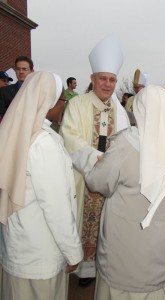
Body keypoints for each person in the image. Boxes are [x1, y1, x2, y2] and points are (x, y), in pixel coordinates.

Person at [72, 85, 165, 300]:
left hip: (125, 244)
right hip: (162, 244)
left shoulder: (126, 145)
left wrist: (89, 160)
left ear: (139, 109)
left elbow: (98, 182)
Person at [0, 71, 83, 300]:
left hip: (17, 247)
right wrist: (73, 252)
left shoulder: (15, 133)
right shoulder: (43, 144)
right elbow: (56, 207)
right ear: (49, 103)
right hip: (41, 255)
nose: (63, 107)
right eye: (62, 101)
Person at [60, 35, 130, 287]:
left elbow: (127, 143)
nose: (108, 84)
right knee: (79, 222)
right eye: (103, 78)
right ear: (92, 79)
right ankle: (79, 265)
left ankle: (97, 268)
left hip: (110, 183)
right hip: (83, 179)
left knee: (106, 228)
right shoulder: (77, 104)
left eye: (112, 80)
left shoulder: (119, 111)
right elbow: (69, 136)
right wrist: (95, 159)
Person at [0, 56, 34, 121]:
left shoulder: (38, 92)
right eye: (18, 69)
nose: (21, 72)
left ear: (32, 71)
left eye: (24, 69)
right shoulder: (3, 92)